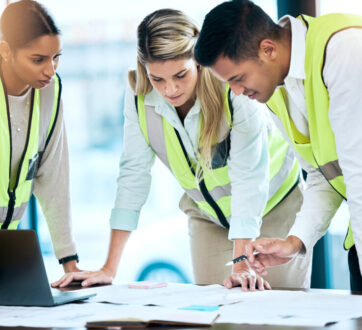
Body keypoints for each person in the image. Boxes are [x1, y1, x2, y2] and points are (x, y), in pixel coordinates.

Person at [52, 8, 311, 291]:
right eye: (157, 79)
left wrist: (241, 261)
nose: (170, 89)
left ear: (197, 62)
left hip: (275, 206)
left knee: (275, 310)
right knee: (215, 313)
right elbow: (133, 175)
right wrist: (108, 268)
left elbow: (249, 177)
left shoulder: (232, 87)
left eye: (180, 75)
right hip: (208, 218)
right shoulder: (138, 95)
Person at [194, 0, 362, 290]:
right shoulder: (275, 90)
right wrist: (295, 241)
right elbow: (324, 175)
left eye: (238, 78)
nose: (236, 92)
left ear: (268, 49)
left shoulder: (343, 50)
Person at [0, 0, 80, 272]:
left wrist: (70, 264)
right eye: (38, 59)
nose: (50, 70)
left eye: (56, 57)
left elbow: (54, 179)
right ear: (6, 50)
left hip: (6, 251)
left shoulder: (50, 92)